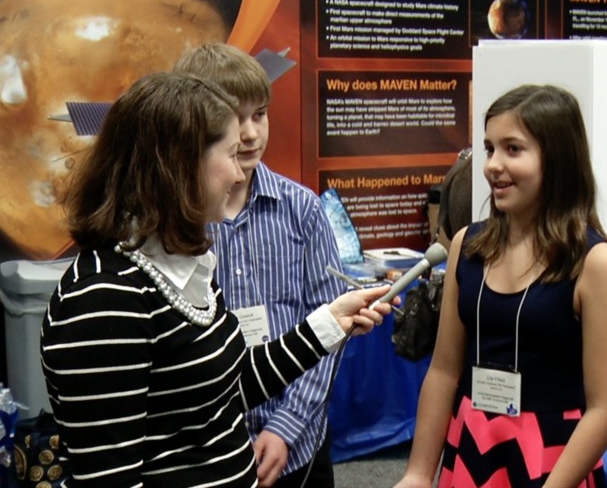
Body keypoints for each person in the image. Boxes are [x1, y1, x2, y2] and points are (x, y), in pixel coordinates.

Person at [40, 71, 394, 487]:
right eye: (230, 155)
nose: (240, 175)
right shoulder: (103, 298)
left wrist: (330, 322)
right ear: (180, 167)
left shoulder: (181, 265)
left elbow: (226, 387)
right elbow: (109, 479)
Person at [394, 84, 607, 488]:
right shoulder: (465, 246)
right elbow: (444, 371)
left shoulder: (595, 263)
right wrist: (417, 473)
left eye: (513, 149)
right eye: (489, 148)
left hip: (554, 460)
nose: (493, 165)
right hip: (473, 444)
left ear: (557, 159)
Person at [173, 43, 344, 488]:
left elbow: (328, 325)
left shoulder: (301, 209)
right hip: (208, 451)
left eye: (259, 115)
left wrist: (286, 426)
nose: (249, 134)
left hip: (298, 444)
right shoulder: (175, 224)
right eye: (234, 118)